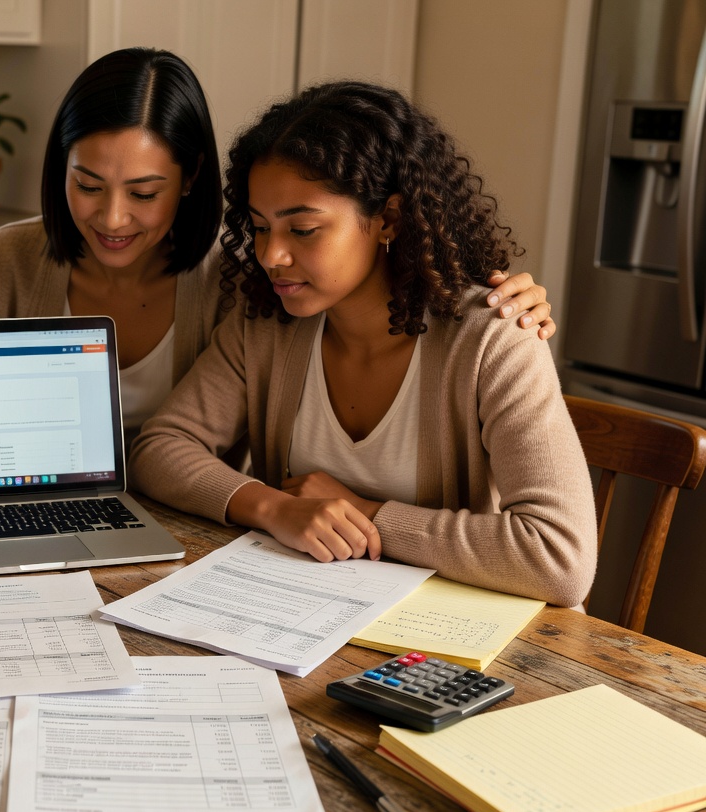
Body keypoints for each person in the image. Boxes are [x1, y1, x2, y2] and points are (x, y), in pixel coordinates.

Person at [130, 81, 597, 607]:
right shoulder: (267, 323)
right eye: (260, 227)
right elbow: (161, 448)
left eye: (303, 229)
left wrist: (366, 514)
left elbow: (560, 558)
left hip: (456, 632)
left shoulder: (492, 338)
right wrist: (272, 507)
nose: (271, 256)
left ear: (387, 220)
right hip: (311, 613)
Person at [0, 48, 555, 443]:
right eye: (87, 185)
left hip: (191, 530)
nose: (112, 217)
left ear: (190, 178)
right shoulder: (6, 262)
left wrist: (493, 296)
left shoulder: (243, 278)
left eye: (143, 192)